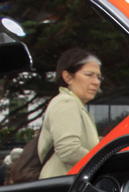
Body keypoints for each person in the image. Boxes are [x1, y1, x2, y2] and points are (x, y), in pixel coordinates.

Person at [38, 48, 102, 179]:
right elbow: (69, 151)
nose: (96, 82)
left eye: (98, 77)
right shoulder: (66, 102)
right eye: (89, 74)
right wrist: (106, 161)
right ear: (68, 77)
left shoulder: (75, 104)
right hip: (61, 188)